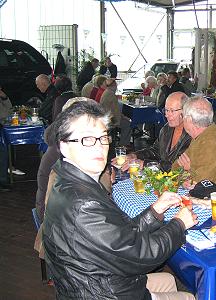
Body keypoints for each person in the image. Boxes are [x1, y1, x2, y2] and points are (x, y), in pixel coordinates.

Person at [42, 100, 197, 299]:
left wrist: (155, 211)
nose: (99, 147)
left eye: (102, 138)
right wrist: (179, 224)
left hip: (96, 279)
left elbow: (118, 237)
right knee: (189, 297)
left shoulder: (69, 182)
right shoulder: (83, 204)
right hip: (103, 292)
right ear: (63, 146)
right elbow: (142, 255)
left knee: (167, 280)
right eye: (87, 139)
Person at [116, 92, 191, 172]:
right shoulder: (166, 128)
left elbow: (176, 166)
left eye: (172, 111)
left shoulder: (192, 135)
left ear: (185, 111)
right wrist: (134, 155)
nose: (167, 115)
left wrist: (145, 164)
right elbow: (155, 150)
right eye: (166, 110)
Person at [100, 79, 132, 146]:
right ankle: (123, 144)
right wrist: (124, 117)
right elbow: (116, 111)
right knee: (128, 124)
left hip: (106, 116)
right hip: (111, 119)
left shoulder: (107, 92)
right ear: (114, 85)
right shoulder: (111, 95)